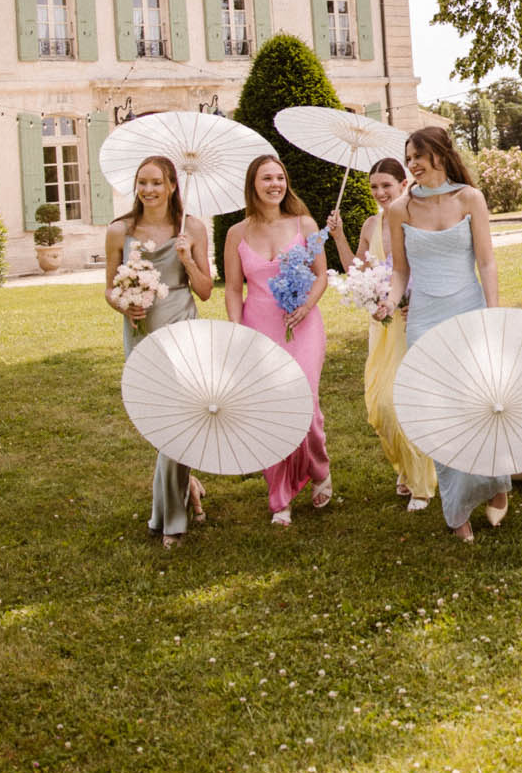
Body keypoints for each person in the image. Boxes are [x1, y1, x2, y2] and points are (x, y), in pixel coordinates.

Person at [385, 125, 510, 543]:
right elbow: (401, 269)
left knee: (481, 404)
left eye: (418, 155)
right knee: (441, 413)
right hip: (424, 319)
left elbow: (487, 262)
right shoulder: (399, 210)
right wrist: (389, 299)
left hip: (468, 310)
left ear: (439, 154)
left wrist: (493, 312)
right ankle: (456, 509)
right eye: (409, 158)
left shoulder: (470, 199)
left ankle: (495, 482)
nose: (413, 164)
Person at [105, 156, 214, 548]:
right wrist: (123, 304)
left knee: (179, 422)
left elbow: (205, 290)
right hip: (141, 332)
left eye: (155, 182)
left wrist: (186, 258)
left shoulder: (194, 228)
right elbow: (108, 289)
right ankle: (190, 487)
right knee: (161, 423)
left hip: (181, 328)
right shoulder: (120, 230)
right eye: (142, 182)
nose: (148, 190)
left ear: (172, 186)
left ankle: (171, 521)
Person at [223, 154, 332, 527]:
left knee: (307, 402)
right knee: (271, 409)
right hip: (260, 327)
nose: (275, 184)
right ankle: (281, 496)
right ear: (253, 184)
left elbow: (321, 275)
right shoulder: (236, 233)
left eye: (280, 177)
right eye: (266, 178)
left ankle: (319, 468)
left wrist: (306, 307)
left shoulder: (304, 223)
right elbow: (233, 289)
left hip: (303, 324)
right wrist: (238, 333)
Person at [327, 158, 437, 512]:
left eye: (386, 185)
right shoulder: (371, 224)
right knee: (378, 406)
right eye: (374, 186)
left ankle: (422, 483)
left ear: (403, 185)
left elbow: (429, 270)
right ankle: (405, 468)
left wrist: (415, 300)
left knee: (403, 401)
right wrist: (339, 235)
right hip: (381, 325)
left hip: (410, 321)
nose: (379, 193)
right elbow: (355, 269)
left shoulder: (416, 220)